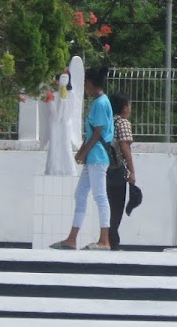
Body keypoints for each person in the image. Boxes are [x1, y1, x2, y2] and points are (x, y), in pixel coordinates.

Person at [53, 66, 114, 250]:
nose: (85, 87)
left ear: (91, 83)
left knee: (100, 197)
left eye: (86, 83)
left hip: (97, 157)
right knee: (80, 195)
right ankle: (72, 238)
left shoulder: (101, 103)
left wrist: (82, 152)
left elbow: (97, 133)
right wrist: (84, 153)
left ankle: (104, 240)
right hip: (92, 157)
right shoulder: (98, 102)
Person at [106, 93, 137, 250]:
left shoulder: (108, 121)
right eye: (129, 105)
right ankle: (113, 240)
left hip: (106, 167)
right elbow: (124, 146)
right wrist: (132, 171)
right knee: (117, 207)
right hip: (118, 169)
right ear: (124, 107)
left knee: (108, 205)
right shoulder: (123, 123)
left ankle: (108, 238)